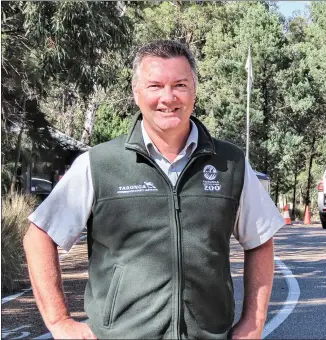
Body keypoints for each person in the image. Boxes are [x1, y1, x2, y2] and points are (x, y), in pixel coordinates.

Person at [23, 40, 284, 339]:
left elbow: (260, 240)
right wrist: (59, 322)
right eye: (155, 85)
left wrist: (254, 321)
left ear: (194, 91)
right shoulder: (99, 163)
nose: (168, 97)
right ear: (136, 93)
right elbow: (39, 235)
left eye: (180, 85)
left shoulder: (231, 163)